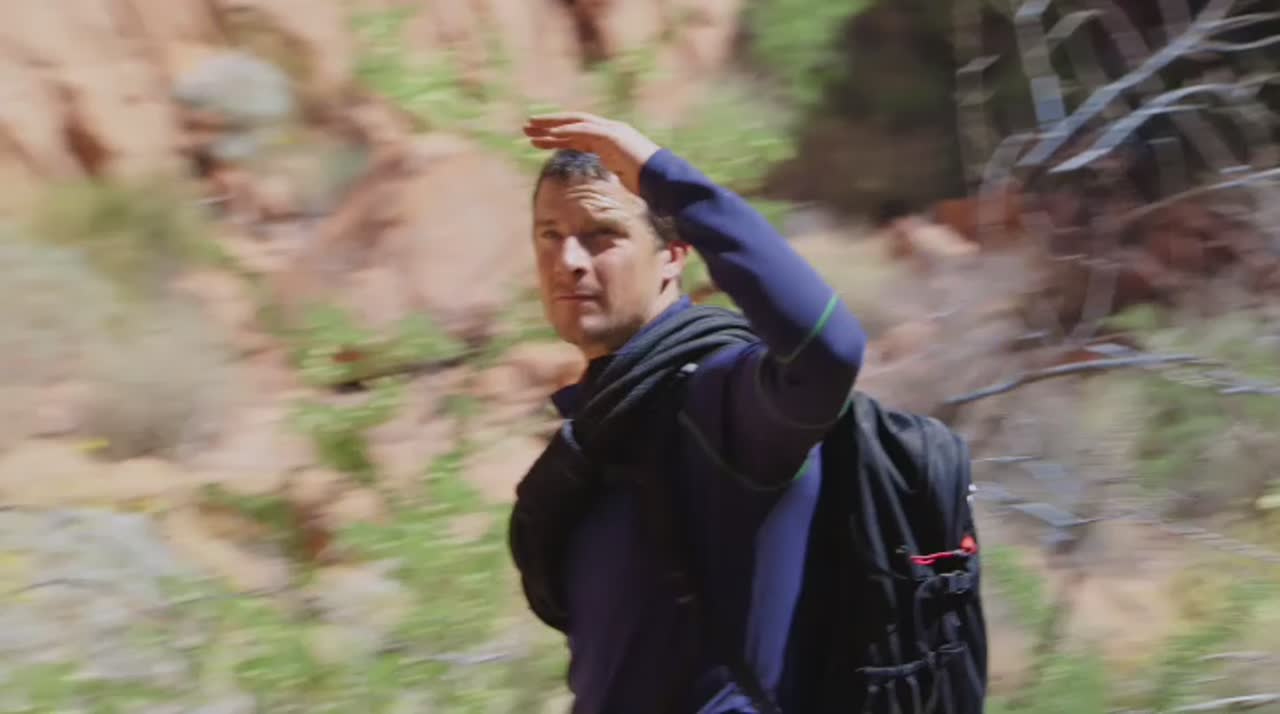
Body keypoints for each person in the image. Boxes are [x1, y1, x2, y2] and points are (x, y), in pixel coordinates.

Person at [508, 112, 868, 714]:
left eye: (602, 234)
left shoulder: (722, 397)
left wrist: (660, 174)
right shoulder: (602, 421)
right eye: (550, 234)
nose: (569, 259)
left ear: (674, 255)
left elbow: (830, 352)